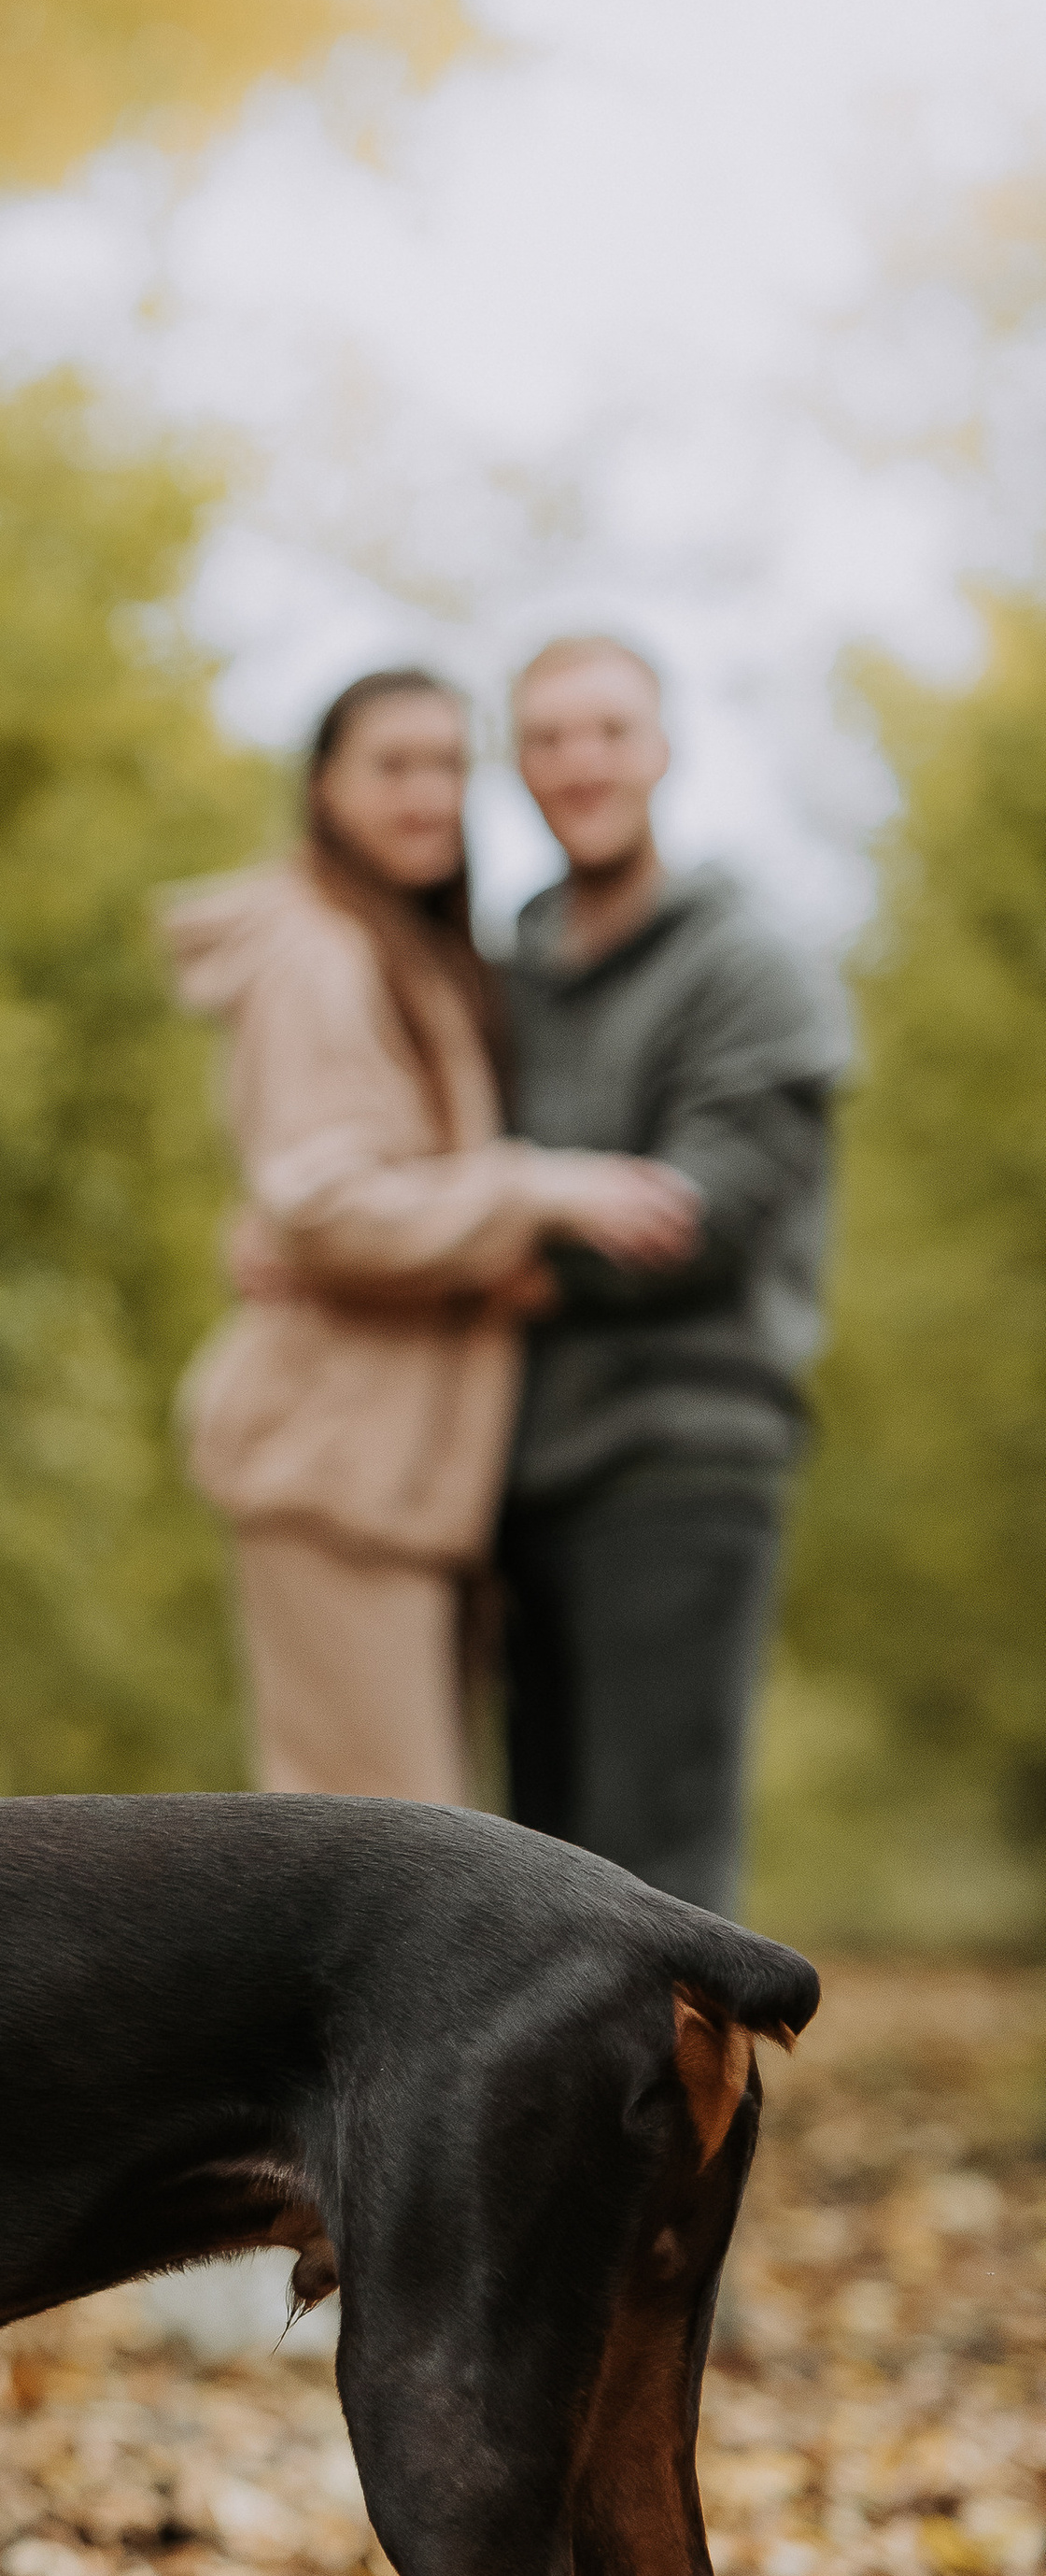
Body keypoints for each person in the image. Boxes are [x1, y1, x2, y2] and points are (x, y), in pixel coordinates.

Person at [165, 669, 699, 1804]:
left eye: (450, 765)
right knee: (371, 1865)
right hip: (333, 1463)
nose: (428, 796)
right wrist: (541, 1193)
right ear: (323, 787)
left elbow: (313, 1200)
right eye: (393, 766)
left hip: (399, 1484)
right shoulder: (317, 950)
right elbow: (321, 1205)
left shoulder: (414, 949)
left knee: (406, 1856)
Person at [499, 634, 853, 1914]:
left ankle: (699, 2124)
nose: (579, 761)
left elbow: (708, 1217)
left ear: (661, 747)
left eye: (607, 730)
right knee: (536, 1875)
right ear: (520, 764)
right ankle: (578, 2128)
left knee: (659, 1877)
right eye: (547, 737)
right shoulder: (511, 970)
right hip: (521, 1465)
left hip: (682, 1453)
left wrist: (480, 1264)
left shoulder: (747, 962)